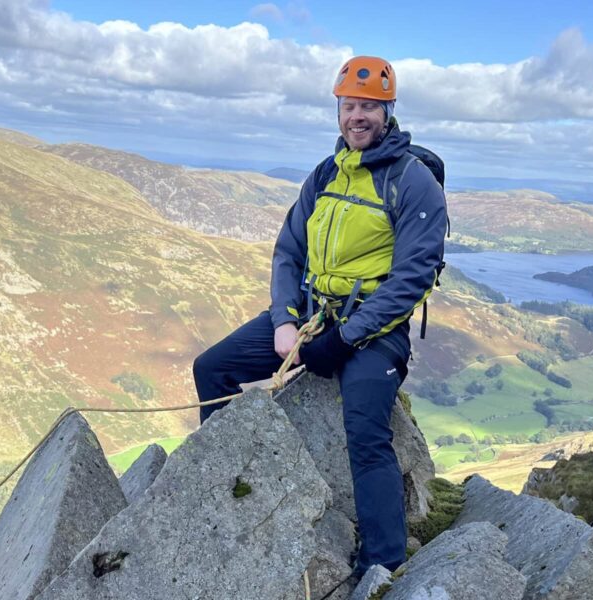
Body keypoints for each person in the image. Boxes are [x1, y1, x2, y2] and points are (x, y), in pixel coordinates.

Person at [192, 56, 447, 576]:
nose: (358, 116)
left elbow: (412, 277)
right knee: (211, 368)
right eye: (349, 105)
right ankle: (219, 494)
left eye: (369, 107)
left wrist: (346, 340)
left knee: (365, 430)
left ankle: (383, 563)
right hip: (310, 315)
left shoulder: (413, 182)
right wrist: (284, 321)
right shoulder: (326, 174)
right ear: (338, 109)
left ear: (388, 111)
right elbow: (288, 251)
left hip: (374, 331)